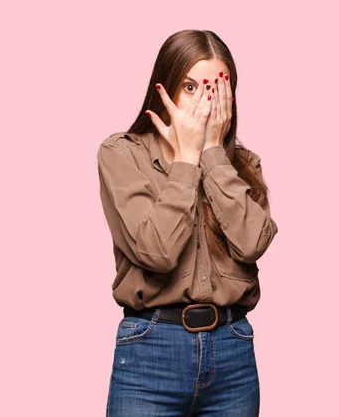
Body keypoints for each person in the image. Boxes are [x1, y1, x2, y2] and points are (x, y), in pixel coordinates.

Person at [97, 29, 278, 416]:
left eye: (215, 89)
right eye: (190, 86)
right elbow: (157, 252)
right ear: (163, 89)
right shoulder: (122, 153)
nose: (202, 102)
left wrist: (212, 152)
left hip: (232, 351)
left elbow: (252, 243)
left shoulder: (244, 165)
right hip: (151, 350)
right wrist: (187, 159)